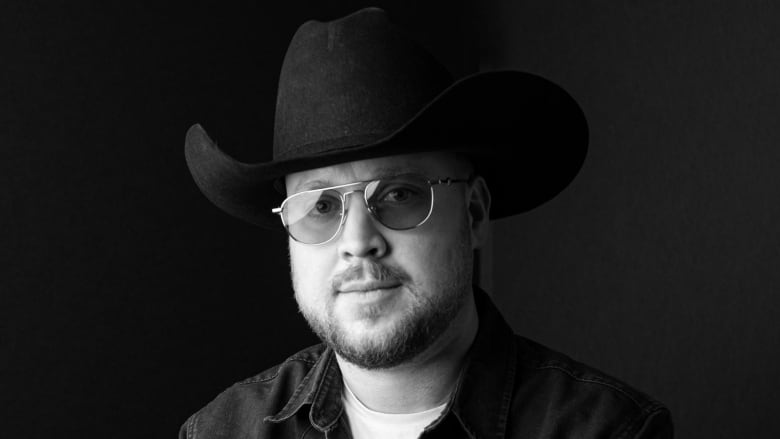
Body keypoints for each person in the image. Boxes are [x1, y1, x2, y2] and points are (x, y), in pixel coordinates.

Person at [180, 7, 673, 439]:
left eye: (399, 195)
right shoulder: (221, 431)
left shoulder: (608, 430)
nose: (358, 242)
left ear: (474, 213)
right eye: (322, 207)